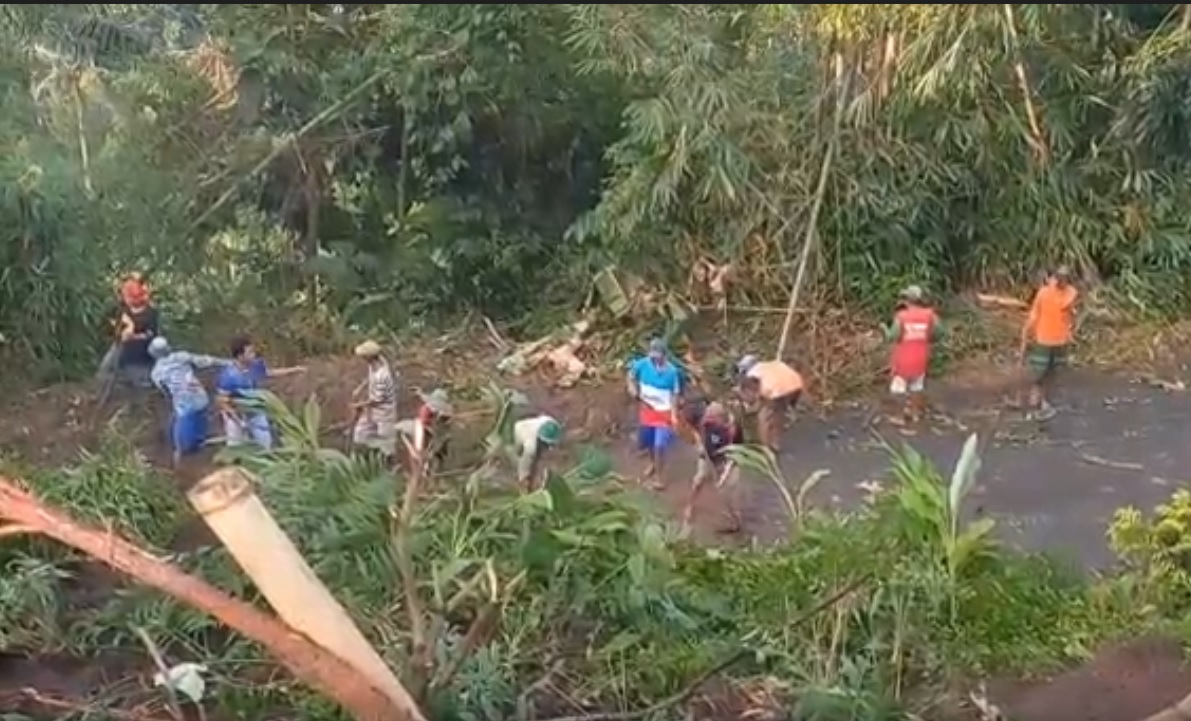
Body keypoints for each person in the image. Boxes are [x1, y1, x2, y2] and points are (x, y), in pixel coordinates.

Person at [148, 336, 230, 467]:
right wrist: (228, 362)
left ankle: (179, 461)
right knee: (199, 423)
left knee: (181, 439)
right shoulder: (182, 356)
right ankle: (200, 445)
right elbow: (207, 361)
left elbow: (166, 393)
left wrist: (174, 402)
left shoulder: (156, 373)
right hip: (200, 398)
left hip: (184, 405)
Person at [215, 335, 306, 450]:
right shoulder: (228, 376)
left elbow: (268, 373)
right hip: (236, 414)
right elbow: (222, 401)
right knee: (236, 448)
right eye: (250, 352)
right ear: (240, 356)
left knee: (265, 444)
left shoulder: (256, 365)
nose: (254, 354)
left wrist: (294, 370)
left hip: (256, 410)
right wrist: (239, 421)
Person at [1019, 265, 1078, 419]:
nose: (1062, 280)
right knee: (1039, 375)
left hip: (1060, 340)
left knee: (1052, 374)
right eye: (1060, 277)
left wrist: (1070, 331)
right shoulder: (1044, 293)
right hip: (1043, 340)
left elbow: (1069, 313)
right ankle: (1034, 405)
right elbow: (1034, 314)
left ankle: (1043, 403)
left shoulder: (1070, 293)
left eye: (1065, 277)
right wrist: (1025, 336)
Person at [627, 338, 682, 488]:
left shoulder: (672, 372)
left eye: (657, 356)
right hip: (647, 411)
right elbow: (631, 374)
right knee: (650, 442)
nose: (654, 358)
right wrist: (632, 387)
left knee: (659, 445)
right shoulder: (643, 364)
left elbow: (675, 394)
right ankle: (653, 463)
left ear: (664, 355)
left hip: (664, 412)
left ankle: (659, 477)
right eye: (652, 355)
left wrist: (674, 415)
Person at [884, 285, 943, 425]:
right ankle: (916, 414)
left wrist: (884, 329)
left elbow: (893, 336)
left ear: (907, 300)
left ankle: (899, 417)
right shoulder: (930, 315)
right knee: (917, 385)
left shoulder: (902, 316)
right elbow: (940, 333)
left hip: (903, 357)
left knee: (898, 388)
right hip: (921, 356)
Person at [682, 401, 745, 531]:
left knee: (728, 492)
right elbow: (694, 429)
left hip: (727, 460)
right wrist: (699, 444)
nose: (706, 419)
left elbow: (735, 454)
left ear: (720, 418)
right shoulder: (705, 420)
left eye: (711, 417)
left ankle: (735, 520)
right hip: (707, 455)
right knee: (698, 481)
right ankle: (690, 506)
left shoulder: (733, 430)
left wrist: (723, 476)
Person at [735, 354, 803, 454]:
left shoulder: (754, 372)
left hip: (775, 390)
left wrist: (751, 406)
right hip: (794, 384)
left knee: (764, 417)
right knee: (778, 415)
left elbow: (759, 395)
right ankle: (776, 444)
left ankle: (765, 449)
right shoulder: (769, 365)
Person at [349, 340, 399, 460]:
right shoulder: (375, 364)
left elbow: (378, 400)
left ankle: (389, 465)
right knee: (360, 434)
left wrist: (358, 405)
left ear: (368, 357)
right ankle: (367, 459)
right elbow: (369, 378)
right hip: (372, 409)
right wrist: (360, 388)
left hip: (384, 412)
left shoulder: (382, 375)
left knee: (386, 443)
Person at [115, 278, 160, 389]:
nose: (127, 299)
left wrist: (134, 335)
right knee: (108, 371)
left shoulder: (151, 312)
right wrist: (124, 328)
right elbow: (115, 329)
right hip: (123, 349)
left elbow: (151, 333)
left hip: (143, 350)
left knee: (143, 383)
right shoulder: (123, 310)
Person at [397, 389, 454, 473]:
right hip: (421, 429)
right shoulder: (427, 410)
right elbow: (423, 421)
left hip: (430, 433)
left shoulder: (441, 418)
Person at [511, 414, 564, 491]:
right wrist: (523, 477)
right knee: (520, 454)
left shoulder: (551, 423)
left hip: (531, 426)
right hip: (519, 429)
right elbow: (525, 462)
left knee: (536, 456)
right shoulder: (530, 445)